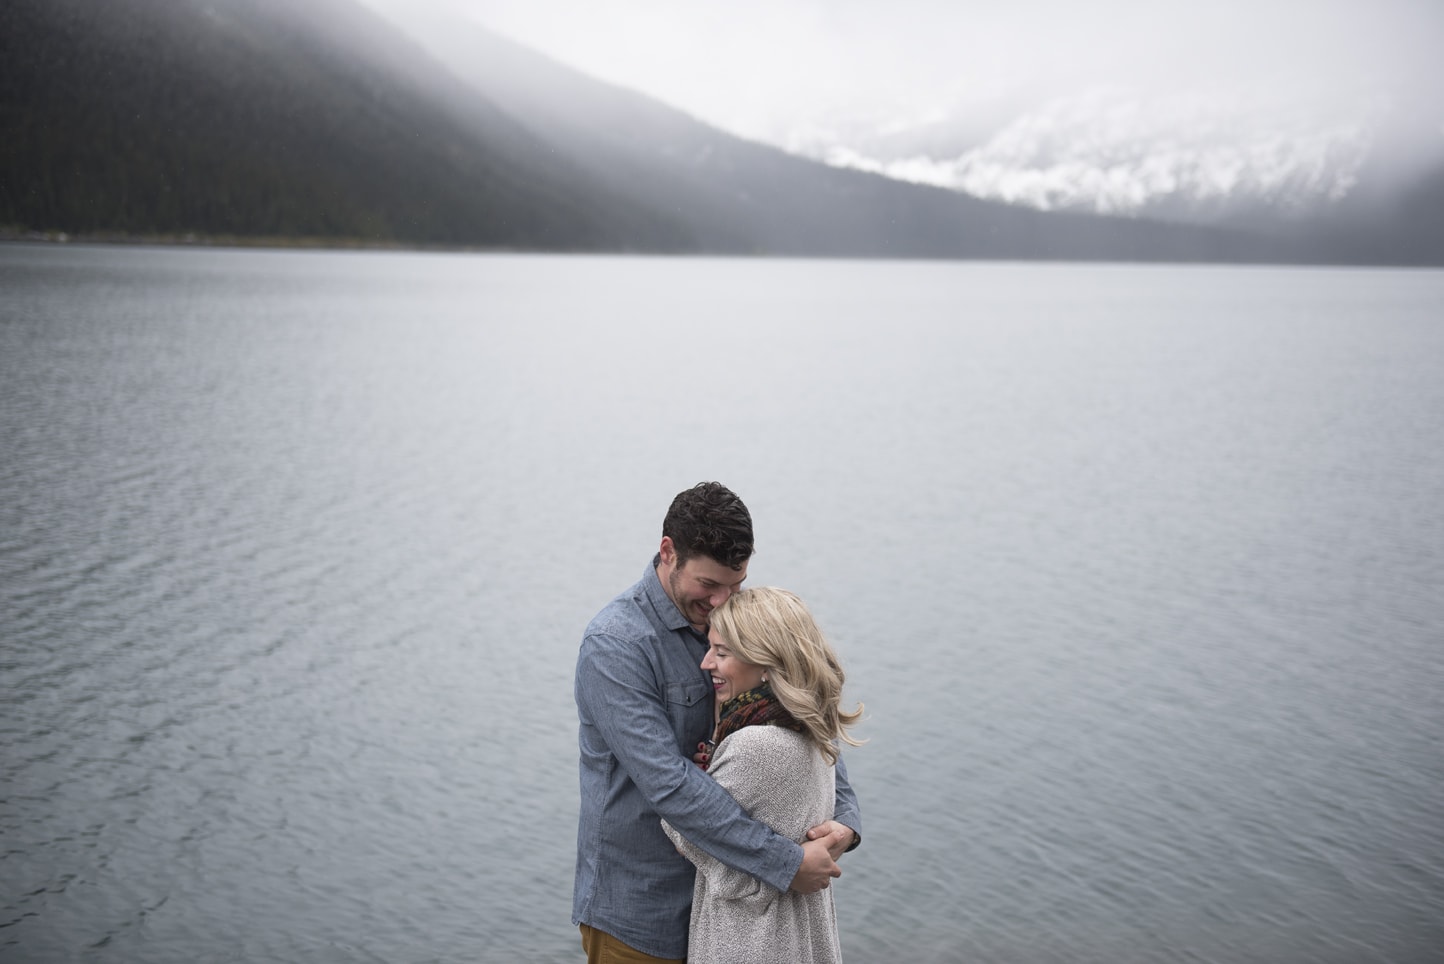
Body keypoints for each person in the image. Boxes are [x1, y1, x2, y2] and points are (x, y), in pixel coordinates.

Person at [574, 482, 862, 963]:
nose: (722, 601)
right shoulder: (615, 646)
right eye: (708, 586)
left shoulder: (745, 625)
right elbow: (669, 783)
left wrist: (845, 825)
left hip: (737, 921)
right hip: (644, 916)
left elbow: (808, 721)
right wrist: (787, 864)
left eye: (736, 584)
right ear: (668, 553)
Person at [661, 587, 864, 964]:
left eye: (722, 653)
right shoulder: (811, 732)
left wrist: (698, 772)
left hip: (755, 943)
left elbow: (681, 828)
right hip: (803, 939)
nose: (707, 663)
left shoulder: (756, 745)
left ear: (766, 665)